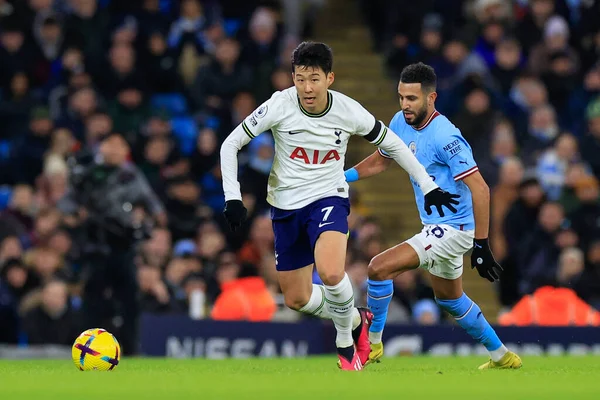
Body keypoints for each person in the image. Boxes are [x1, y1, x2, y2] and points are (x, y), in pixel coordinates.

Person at [220, 42, 459, 370]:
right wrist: (232, 196)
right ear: (293, 77)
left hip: (328, 196)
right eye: (300, 78)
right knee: (296, 298)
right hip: (285, 206)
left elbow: (393, 144)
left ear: (330, 78)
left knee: (331, 272)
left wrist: (428, 185)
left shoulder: (348, 110)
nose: (307, 87)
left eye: (314, 79)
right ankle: (356, 317)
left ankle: (345, 340)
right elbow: (231, 143)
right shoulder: (279, 105)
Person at [344, 62, 522, 370]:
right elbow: (382, 161)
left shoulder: (446, 136)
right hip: (436, 225)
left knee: (378, 268)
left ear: (431, 98)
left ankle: (372, 344)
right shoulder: (400, 122)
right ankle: (502, 356)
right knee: (450, 300)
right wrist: (343, 177)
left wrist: (481, 244)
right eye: (401, 97)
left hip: (455, 229)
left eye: (412, 99)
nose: (404, 105)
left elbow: (480, 189)